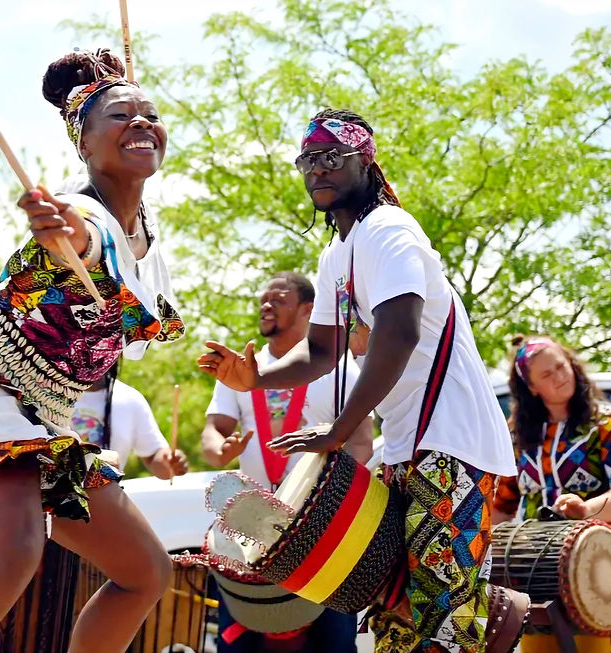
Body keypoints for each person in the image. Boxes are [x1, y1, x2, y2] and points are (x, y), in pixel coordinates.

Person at [0, 48, 184, 653]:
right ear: (84, 144)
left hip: (45, 414)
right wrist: (57, 229)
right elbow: (74, 233)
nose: (140, 122)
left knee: (145, 572)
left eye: (149, 114)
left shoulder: (145, 233)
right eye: (120, 115)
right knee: (16, 548)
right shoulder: (84, 211)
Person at [198, 109, 517, 653]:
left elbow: (399, 332)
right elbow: (322, 350)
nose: (317, 170)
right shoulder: (335, 254)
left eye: (331, 157)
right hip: (406, 446)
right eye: (307, 161)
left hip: (452, 443)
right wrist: (257, 378)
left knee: (443, 618)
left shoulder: (389, 230)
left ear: (365, 162)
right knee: (394, 617)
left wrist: (339, 430)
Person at [202, 271, 372, 653]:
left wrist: (326, 502)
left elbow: (362, 442)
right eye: (263, 299)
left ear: (308, 309)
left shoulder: (340, 368)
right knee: (239, 646)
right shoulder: (243, 369)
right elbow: (214, 430)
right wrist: (219, 449)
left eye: (278, 299)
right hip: (248, 531)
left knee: (333, 643)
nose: (266, 305)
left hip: (320, 532)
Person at [493, 335, 611, 653]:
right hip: (531, 575)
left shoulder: (609, 423)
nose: (559, 377)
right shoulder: (517, 434)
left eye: (561, 366)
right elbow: (503, 505)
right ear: (531, 387)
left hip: (600, 571)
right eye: (546, 374)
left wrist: (586, 510)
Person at [71, 363, 188, 479]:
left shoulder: (129, 398)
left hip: (109, 489)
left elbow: (154, 458)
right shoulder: (59, 393)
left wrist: (170, 462)